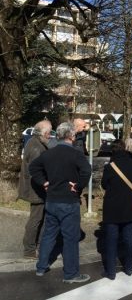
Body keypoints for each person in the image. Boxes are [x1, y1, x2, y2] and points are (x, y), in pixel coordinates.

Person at [29, 122, 91, 283]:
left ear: (58, 136)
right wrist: (78, 187)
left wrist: (44, 182)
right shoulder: (76, 154)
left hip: (52, 200)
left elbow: (33, 167)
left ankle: (41, 267)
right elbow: (87, 171)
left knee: (49, 234)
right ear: (71, 136)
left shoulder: (49, 153)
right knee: (70, 238)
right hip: (69, 201)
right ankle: (71, 274)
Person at [101, 139, 132, 280]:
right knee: (129, 237)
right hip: (130, 206)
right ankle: (129, 267)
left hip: (112, 207)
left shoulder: (109, 167)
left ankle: (111, 271)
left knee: (111, 239)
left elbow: (104, 185)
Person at [18, 120, 52, 258]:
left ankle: (33, 246)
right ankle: (30, 250)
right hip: (36, 189)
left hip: (36, 188)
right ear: (43, 133)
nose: (50, 136)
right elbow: (36, 171)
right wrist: (45, 183)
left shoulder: (34, 142)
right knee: (36, 218)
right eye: (49, 133)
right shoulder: (37, 147)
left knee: (38, 217)